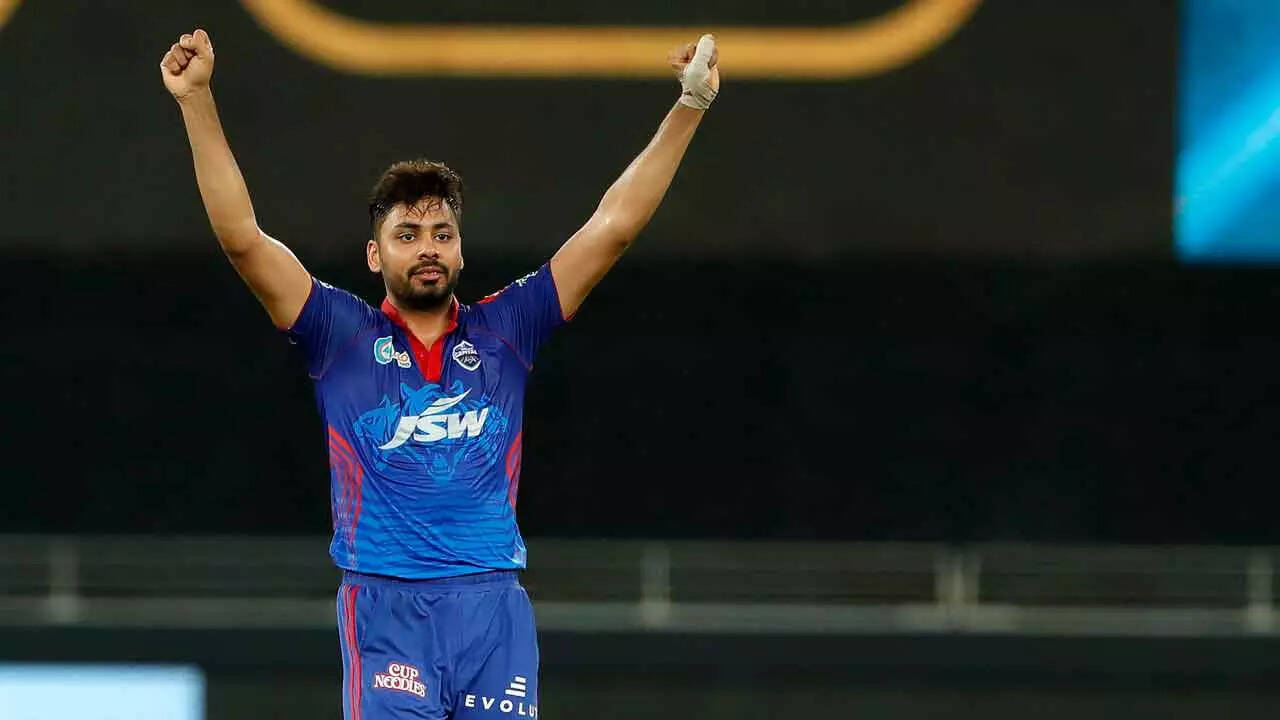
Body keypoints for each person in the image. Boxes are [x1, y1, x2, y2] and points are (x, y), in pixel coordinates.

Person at [160, 27, 719, 720]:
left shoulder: (507, 330)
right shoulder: (339, 335)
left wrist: (690, 104)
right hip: (386, 608)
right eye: (407, 235)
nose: (427, 249)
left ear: (459, 251)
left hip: (493, 610)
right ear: (374, 256)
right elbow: (243, 239)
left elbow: (613, 227)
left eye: (441, 235)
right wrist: (197, 100)